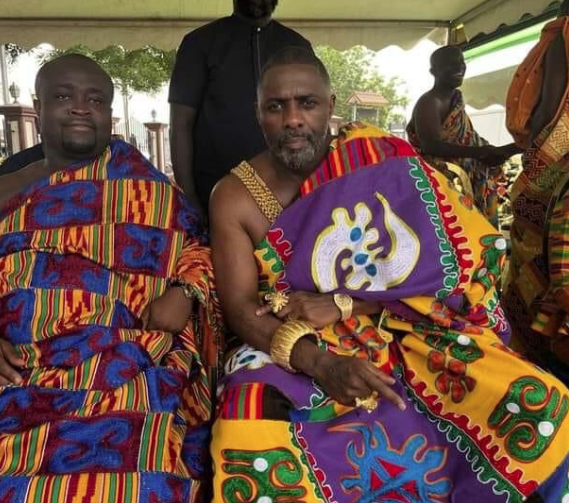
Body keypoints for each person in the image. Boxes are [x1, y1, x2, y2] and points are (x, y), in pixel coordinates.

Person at [209, 47, 569, 502]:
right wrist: (320, 363)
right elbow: (241, 308)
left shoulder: (378, 156)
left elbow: (457, 264)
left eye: (308, 103)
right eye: (276, 107)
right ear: (259, 114)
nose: (293, 118)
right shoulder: (234, 196)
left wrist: (349, 303)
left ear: (331, 106)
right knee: (248, 427)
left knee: (541, 402)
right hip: (287, 337)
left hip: (403, 320)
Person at [0, 54, 222, 501]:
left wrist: (184, 292)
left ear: (110, 114)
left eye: (95, 99)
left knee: (135, 469)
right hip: (15, 362)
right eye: (64, 96)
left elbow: (201, 251)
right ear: (39, 106)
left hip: (125, 362)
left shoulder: (154, 191)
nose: (81, 107)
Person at [169, 0, 311, 218]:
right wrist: (189, 198)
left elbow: (311, 118)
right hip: (214, 198)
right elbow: (180, 125)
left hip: (289, 198)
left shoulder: (297, 46)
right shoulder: (199, 43)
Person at [502, 0, 569, 384]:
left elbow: (545, 110)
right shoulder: (563, 33)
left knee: (536, 259)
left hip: (554, 164)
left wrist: (536, 159)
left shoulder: (562, 35)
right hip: (557, 160)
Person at [407, 45, 519, 227]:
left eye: (461, 62)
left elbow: (469, 142)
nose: (460, 67)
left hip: (466, 181)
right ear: (433, 71)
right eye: (451, 64)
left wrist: (499, 151)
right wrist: (480, 153)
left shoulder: (455, 101)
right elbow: (430, 146)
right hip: (445, 187)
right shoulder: (429, 102)